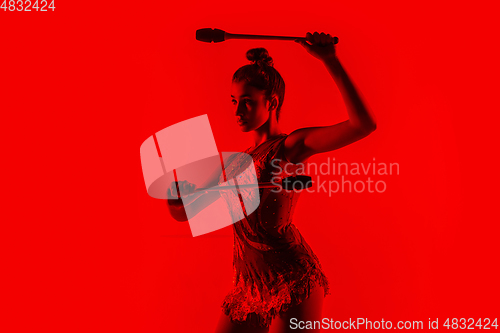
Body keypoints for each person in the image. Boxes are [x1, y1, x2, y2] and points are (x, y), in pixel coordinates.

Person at [167, 31, 377, 333]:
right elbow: (184, 214)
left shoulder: (291, 147)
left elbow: (363, 125)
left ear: (272, 102)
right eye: (234, 101)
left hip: (292, 279)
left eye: (248, 102)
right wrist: (178, 196)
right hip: (248, 287)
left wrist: (330, 60)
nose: (237, 112)